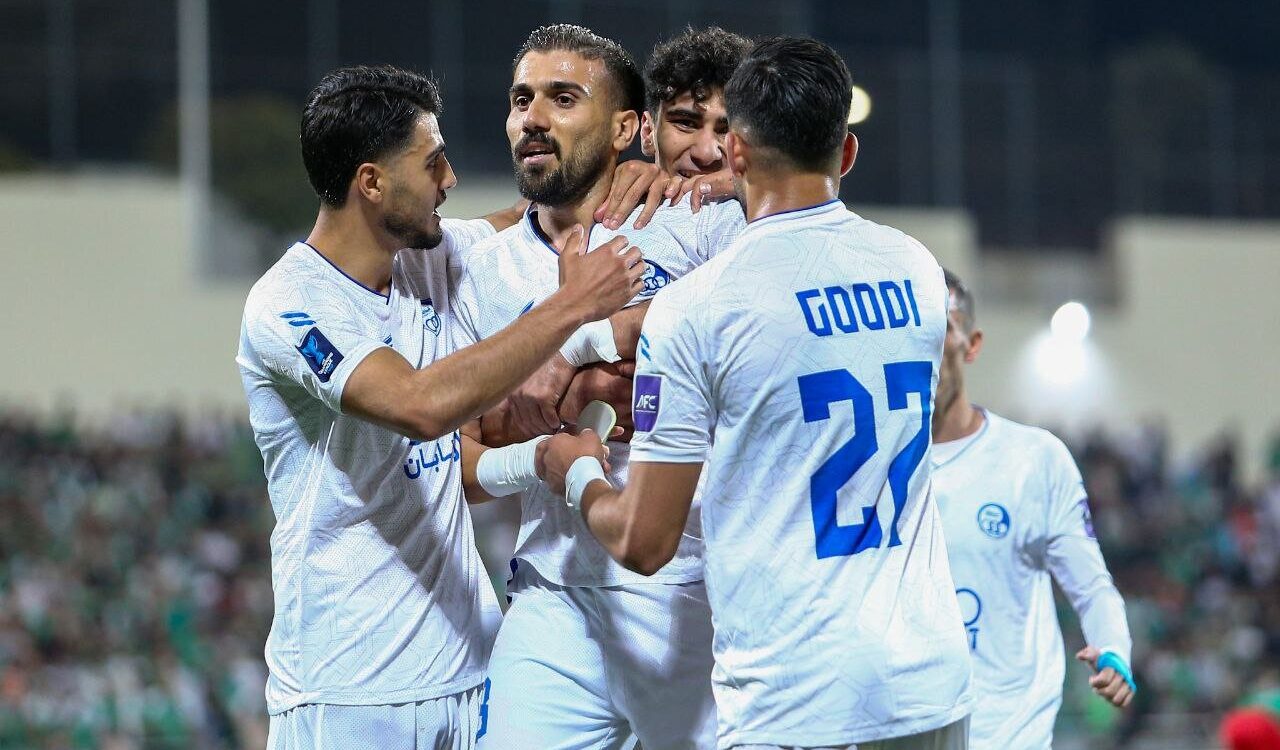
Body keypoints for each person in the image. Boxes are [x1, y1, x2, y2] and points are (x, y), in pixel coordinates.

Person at [543, 36, 974, 750]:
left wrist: (576, 471)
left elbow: (644, 542)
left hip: (796, 696)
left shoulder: (698, 308)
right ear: (846, 153)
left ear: (735, 151)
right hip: (931, 687)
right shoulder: (918, 271)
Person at [236, 64, 644, 750]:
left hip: (472, 669)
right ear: (372, 183)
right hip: (350, 693)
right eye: (432, 163)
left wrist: (635, 174)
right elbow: (419, 407)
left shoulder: (432, 256)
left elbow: (543, 211)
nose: (450, 179)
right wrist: (574, 305)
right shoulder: (291, 304)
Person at [452, 24, 749, 750]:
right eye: (522, 99)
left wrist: (575, 361)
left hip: (694, 594)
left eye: (562, 98)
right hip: (553, 593)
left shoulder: (702, 220)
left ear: (623, 128)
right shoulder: (484, 270)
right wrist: (543, 454)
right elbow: (459, 459)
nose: (534, 117)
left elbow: (736, 322)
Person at [929, 270, 1135, 748]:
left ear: (971, 344)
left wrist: (1114, 649)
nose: (927, 347)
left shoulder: (1033, 460)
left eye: (941, 327)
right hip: (907, 730)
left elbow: (1091, 587)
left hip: (1007, 734)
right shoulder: (874, 466)